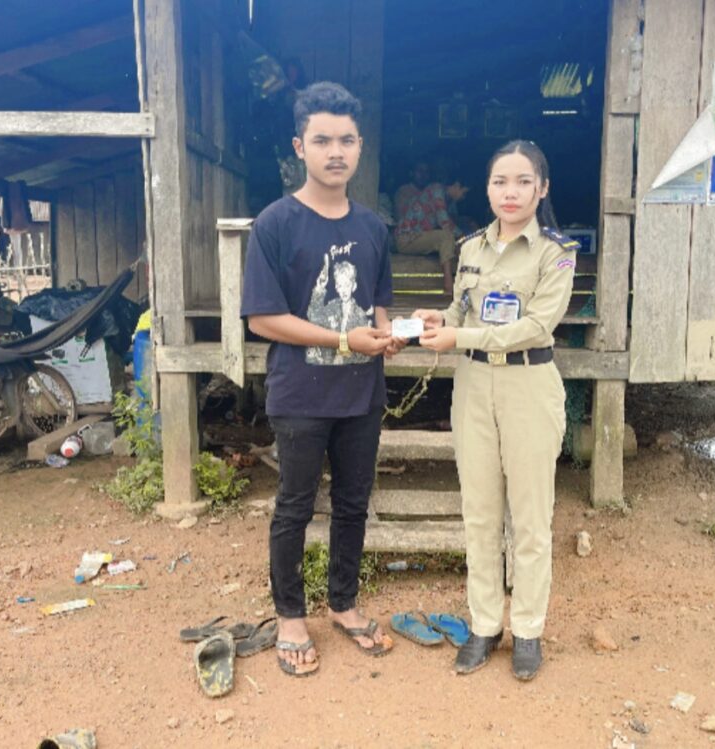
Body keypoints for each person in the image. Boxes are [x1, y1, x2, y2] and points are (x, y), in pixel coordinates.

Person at [241, 81, 404, 677]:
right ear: (299, 147)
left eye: (347, 140)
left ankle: (343, 603)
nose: (336, 152)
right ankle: (290, 615)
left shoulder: (374, 227)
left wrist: (389, 333)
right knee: (295, 505)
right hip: (301, 394)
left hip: (362, 393)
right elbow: (262, 318)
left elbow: (377, 305)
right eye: (323, 140)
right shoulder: (275, 223)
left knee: (354, 502)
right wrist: (341, 340)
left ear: (360, 147)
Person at [411, 140, 577, 681]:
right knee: (479, 512)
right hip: (474, 385)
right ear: (487, 188)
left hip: (529, 384)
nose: (511, 192)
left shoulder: (557, 253)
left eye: (523, 181)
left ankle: (527, 629)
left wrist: (458, 336)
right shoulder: (470, 248)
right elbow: (460, 310)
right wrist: (436, 322)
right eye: (500, 181)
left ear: (542, 188)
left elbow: (536, 326)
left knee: (530, 517)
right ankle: (485, 625)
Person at [393, 160, 469, 294]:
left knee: (452, 240)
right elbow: (445, 223)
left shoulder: (447, 199)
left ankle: (464, 283)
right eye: (464, 193)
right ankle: (448, 286)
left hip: (418, 237)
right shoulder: (437, 190)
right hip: (406, 238)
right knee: (446, 236)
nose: (463, 197)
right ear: (457, 185)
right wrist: (465, 238)